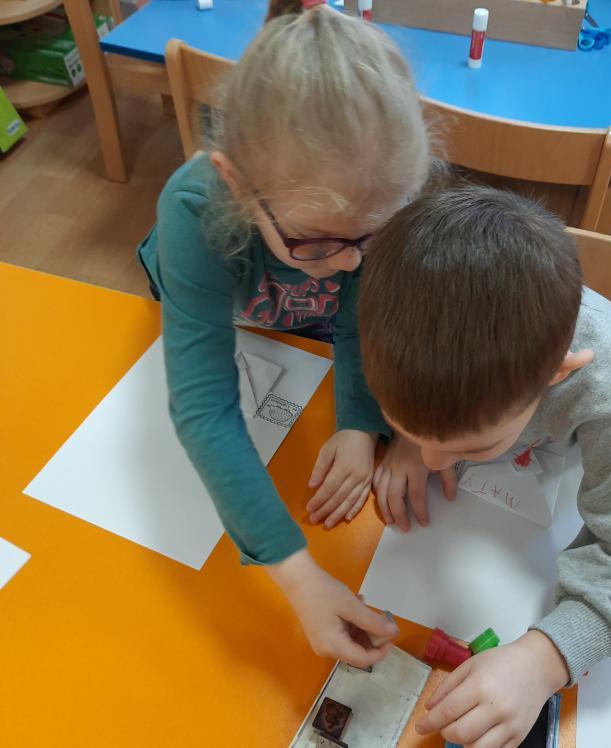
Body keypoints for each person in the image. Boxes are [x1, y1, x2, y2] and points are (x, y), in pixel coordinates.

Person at [137, 0, 433, 668]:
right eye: (318, 241)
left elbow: (360, 316)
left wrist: (361, 423)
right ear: (236, 182)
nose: (353, 262)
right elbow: (204, 408)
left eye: (373, 236)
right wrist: (297, 577)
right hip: (213, 300)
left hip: (303, 326)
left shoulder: (363, 205)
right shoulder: (193, 209)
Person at [359, 186, 611, 747]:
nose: (436, 463)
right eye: (412, 428)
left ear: (557, 375)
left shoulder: (609, 388)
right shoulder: (396, 314)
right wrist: (405, 439)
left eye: (471, 447)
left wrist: (544, 659)